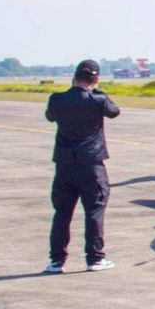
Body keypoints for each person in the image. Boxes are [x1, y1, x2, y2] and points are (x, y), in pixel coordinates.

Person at [44, 59, 120, 273]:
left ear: (74, 77)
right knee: (94, 211)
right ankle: (95, 258)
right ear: (95, 79)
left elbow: (50, 116)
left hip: (65, 165)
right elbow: (114, 111)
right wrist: (98, 90)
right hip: (91, 164)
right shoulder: (98, 100)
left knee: (62, 213)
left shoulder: (57, 99)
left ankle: (57, 260)